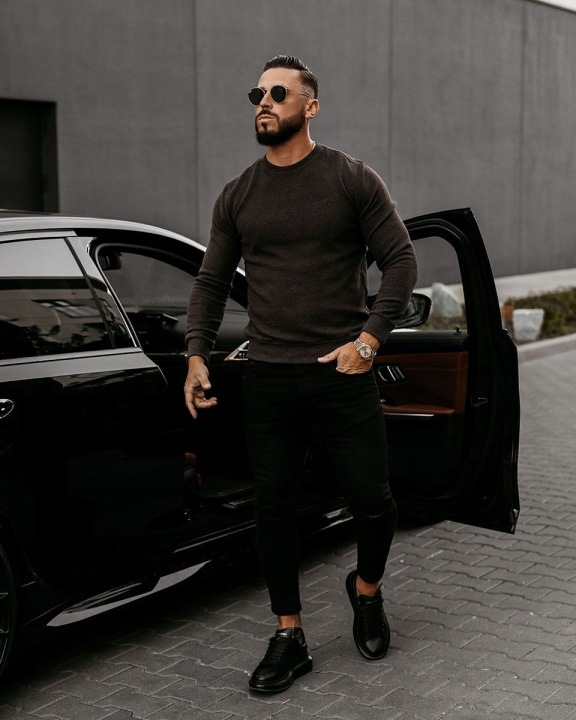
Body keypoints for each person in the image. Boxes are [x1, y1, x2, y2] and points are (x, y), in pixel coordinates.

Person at [184, 55, 418, 693]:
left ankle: (365, 590)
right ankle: (289, 635)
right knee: (274, 509)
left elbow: (400, 261)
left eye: (279, 93)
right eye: (257, 93)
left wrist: (369, 341)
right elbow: (210, 281)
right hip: (269, 376)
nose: (264, 101)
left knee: (373, 501)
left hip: (342, 372)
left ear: (309, 106)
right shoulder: (239, 193)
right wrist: (197, 353)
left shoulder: (350, 178)